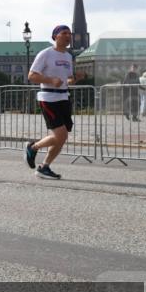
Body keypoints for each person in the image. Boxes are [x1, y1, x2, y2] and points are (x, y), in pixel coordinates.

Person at [24, 25, 85, 180]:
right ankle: (33, 147)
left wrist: (76, 77)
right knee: (61, 134)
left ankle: (44, 167)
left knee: (62, 138)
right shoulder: (46, 54)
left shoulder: (68, 56)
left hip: (64, 98)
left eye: (69, 33)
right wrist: (50, 80)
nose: (68, 36)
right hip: (48, 98)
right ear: (55, 36)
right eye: (64, 33)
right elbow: (31, 76)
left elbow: (68, 80)